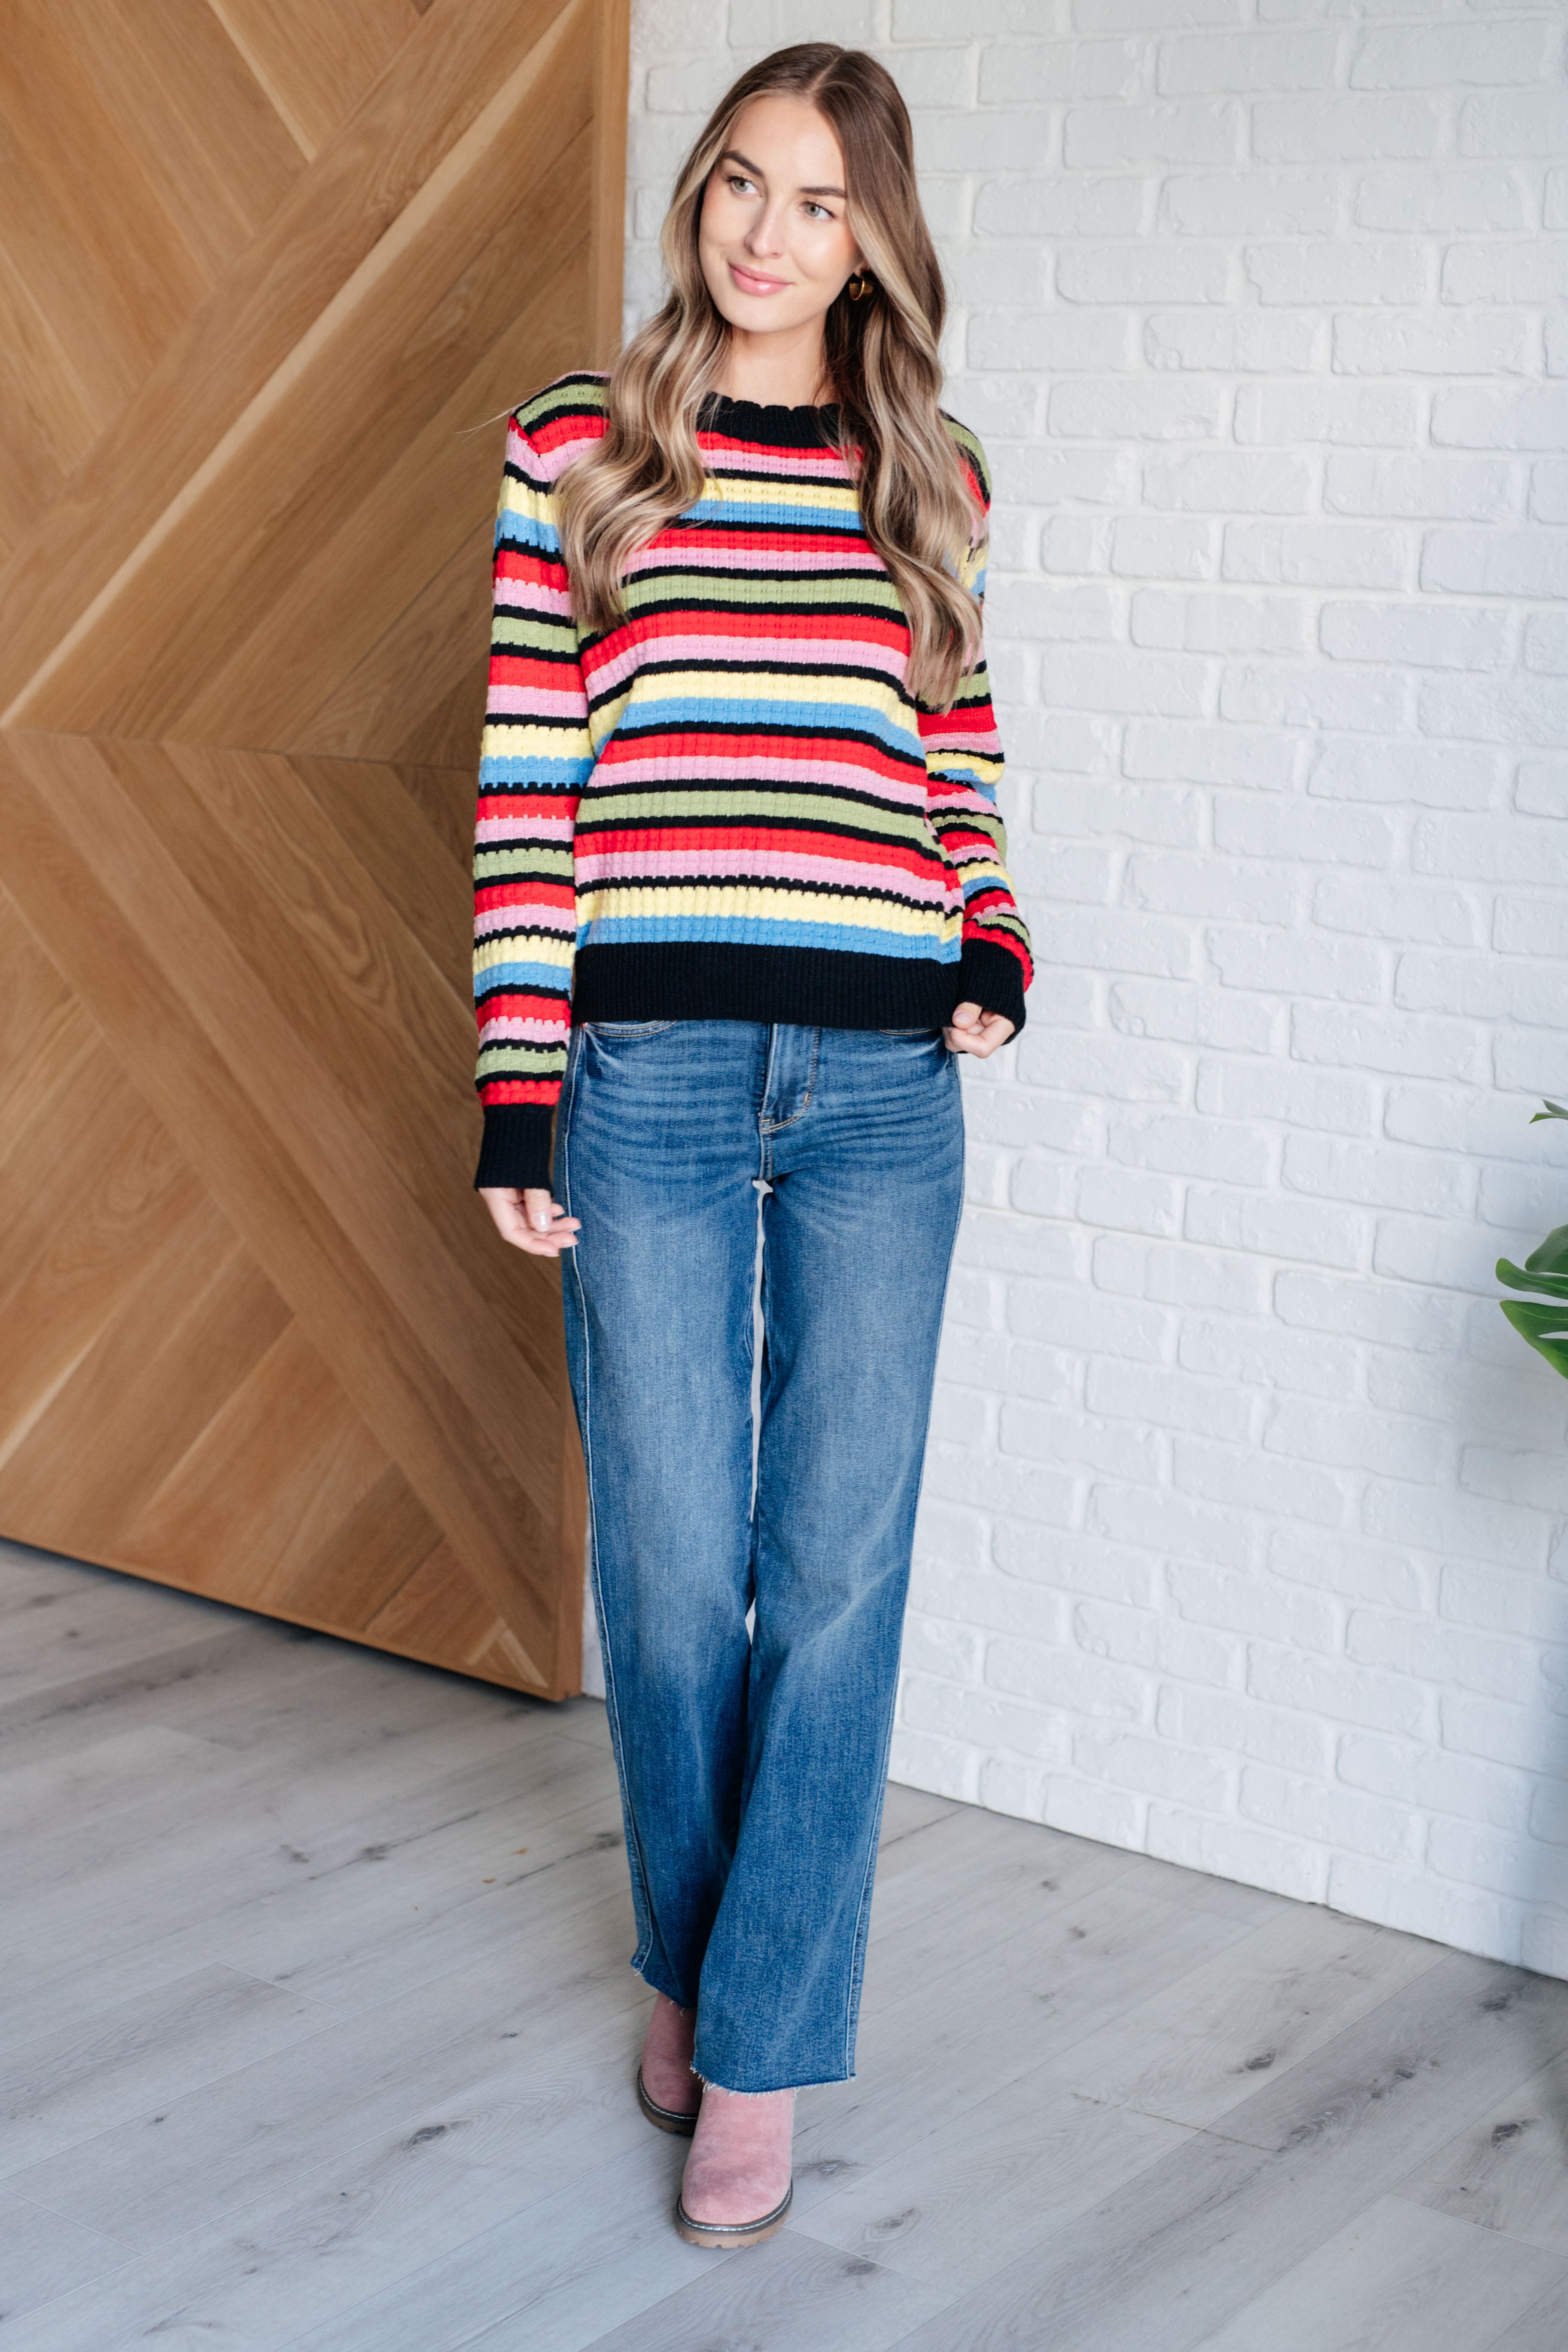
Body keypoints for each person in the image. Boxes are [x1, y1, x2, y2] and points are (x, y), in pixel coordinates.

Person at [472, 42, 1031, 2250]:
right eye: (734, 181)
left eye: (813, 199)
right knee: (674, 1560)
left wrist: (989, 928)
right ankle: (695, 1957)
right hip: (655, 1071)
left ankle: (763, 2041)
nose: (762, 231)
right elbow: (531, 783)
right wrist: (521, 1075)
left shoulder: (936, 471)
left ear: (874, 238)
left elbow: (958, 746)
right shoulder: (576, 453)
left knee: (838, 1569)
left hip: (891, 1076)